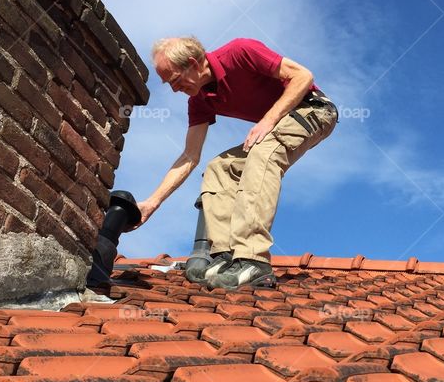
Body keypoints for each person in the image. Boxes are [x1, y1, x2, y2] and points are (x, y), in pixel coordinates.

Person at [134, 36, 338, 290]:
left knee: (263, 153)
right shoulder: (199, 99)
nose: (174, 89)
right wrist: (153, 202)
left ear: (192, 63)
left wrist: (268, 119)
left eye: (175, 80)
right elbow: (189, 156)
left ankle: (253, 259)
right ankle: (227, 256)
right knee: (219, 168)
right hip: (280, 123)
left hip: (314, 109)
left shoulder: (240, 52)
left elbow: (303, 76)